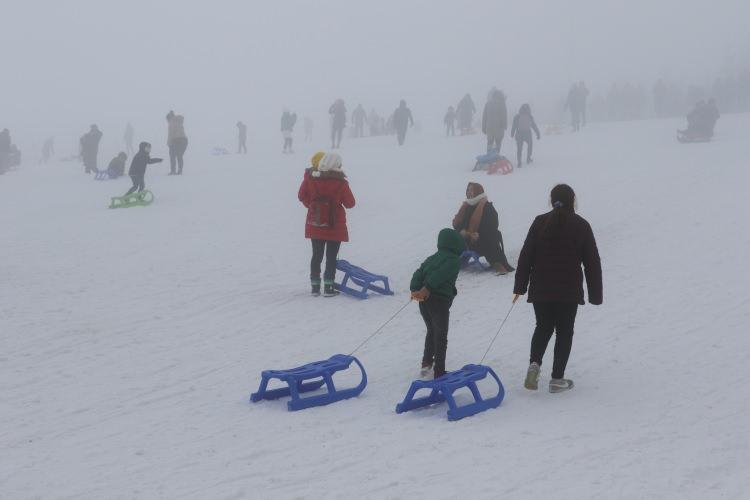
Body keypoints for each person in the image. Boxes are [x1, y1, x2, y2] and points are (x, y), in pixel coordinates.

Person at [513, 184, 602, 393]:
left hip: (541, 288)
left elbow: (526, 255)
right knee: (564, 332)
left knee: (543, 327)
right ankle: (557, 379)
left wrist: (520, 286)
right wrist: (595, 294)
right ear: (573, 200)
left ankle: (534, 364)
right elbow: (592, 262)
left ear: (551, 201)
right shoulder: (581, 225)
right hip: (568, 290)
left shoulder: (540, 222)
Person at [297, 152, 355, 297]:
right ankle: (328, 287)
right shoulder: (341, 183)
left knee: (316, 255)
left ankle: (315, 287)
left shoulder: (311, 179)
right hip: (335, 226)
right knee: (331, 256)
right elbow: (350, 203)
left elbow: (301, 196)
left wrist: (313, 206)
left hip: (315, 223)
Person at [410, 228, 465, 379]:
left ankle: (427, 362)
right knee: (441, 336)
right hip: (439, 301)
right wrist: (427, 287)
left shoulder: (432, 258)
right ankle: (439, 372)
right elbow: (441, 274)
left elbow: (418, 272)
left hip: (424, 302)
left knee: (431, 331)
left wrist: (415, 289)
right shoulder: (454, 260)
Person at [452, 182, 514, 274]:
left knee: (490, 239)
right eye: (467, 190)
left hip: (481, 240)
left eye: (471, 190)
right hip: (467, 239)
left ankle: (498, 264)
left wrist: (476, 234)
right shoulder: (466, 206)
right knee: (448, 235)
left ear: (478, 192)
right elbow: (457, 225)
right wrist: (464, 232)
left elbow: (492, 226)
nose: (468, 192)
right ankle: (446, 262)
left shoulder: (487, 207)